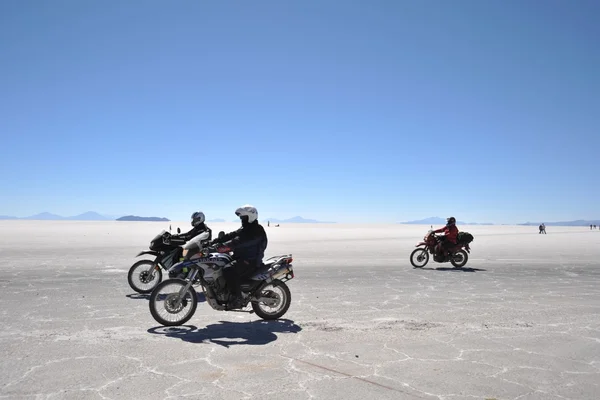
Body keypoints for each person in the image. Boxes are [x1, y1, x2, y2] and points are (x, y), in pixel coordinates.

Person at [210, 204, 268, 309]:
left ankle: (238, 297)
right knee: (221, 263)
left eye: (243, 217)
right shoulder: (246, 228)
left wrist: (225, 246)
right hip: (241, 258)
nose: (242, 219)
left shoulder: (256, 230)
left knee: (228, 269)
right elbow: (232, 235)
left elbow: (240, 241)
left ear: (250, 216)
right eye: (241, 218)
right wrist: (215, 242)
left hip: (250, 261)